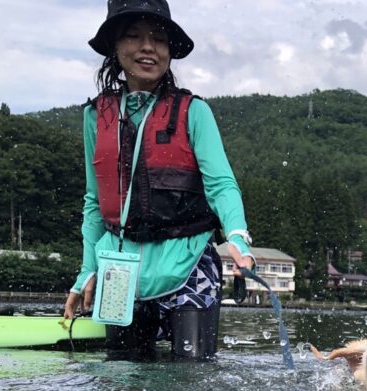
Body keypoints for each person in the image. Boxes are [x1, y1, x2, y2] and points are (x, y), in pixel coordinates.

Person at [63, 0, 255, 360]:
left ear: (169, 52)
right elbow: (94, 201)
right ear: (115, 48)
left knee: (190, 377)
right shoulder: (95, 116)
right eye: (134, 36)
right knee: (121, 379)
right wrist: (87, 270)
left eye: (159, 39)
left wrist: (237, 237)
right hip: (117, 268)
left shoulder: (194, 111)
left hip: (187, 260)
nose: (148, 47)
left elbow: (222, 185)